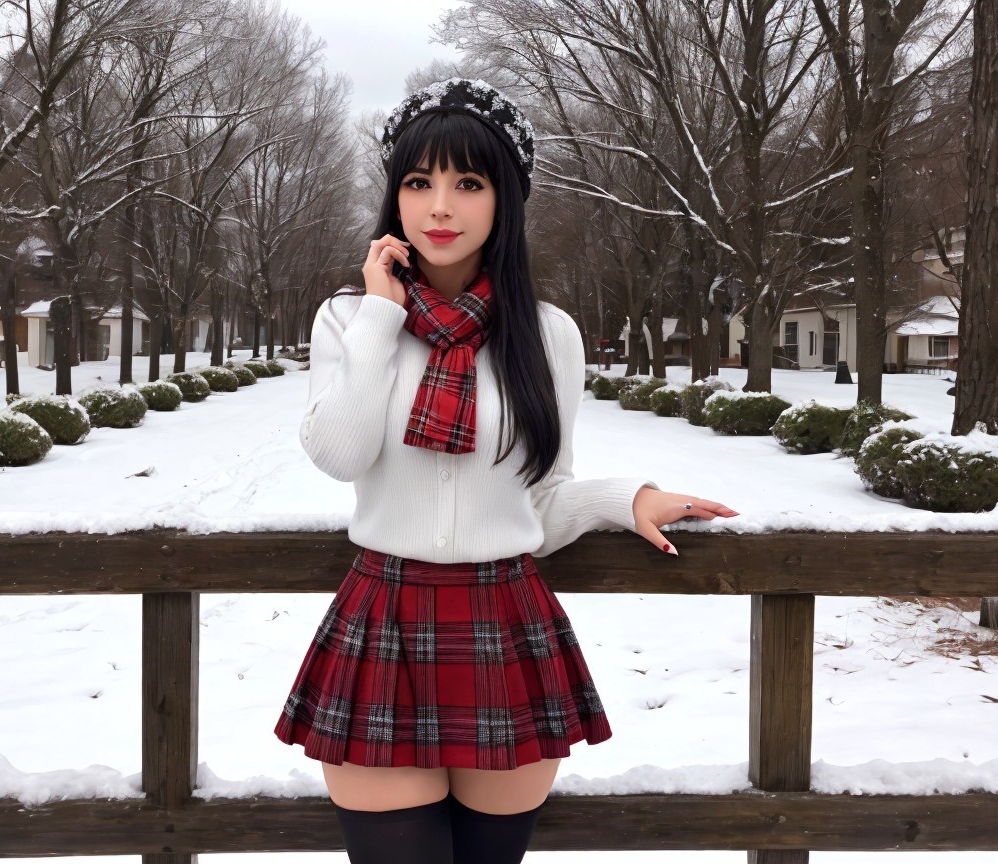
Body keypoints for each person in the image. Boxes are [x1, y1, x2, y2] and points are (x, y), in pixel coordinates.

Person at [274, 79, 737, 864]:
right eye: (418, 183)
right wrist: (384, 316)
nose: (439, 207)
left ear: (505, 200)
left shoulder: (547, 335)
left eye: (468, 183)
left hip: (503, 618)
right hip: (384, 614)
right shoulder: (349, 319)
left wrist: (627, 499)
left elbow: (540, 496)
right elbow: (339, 454)